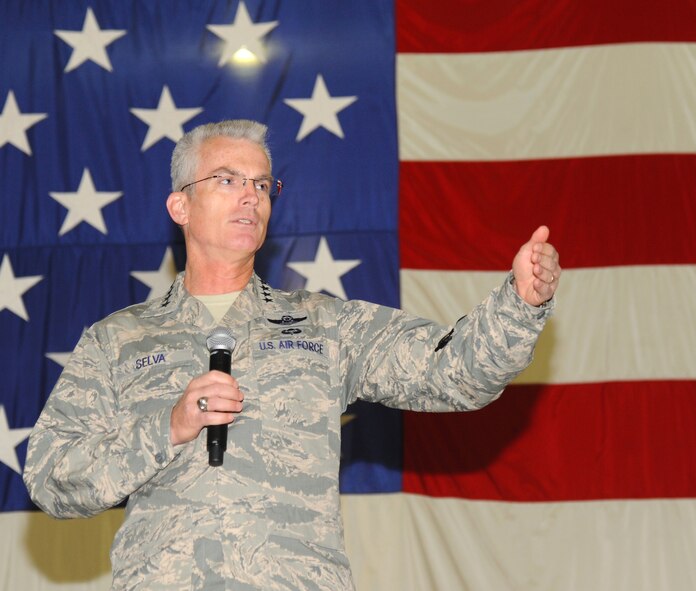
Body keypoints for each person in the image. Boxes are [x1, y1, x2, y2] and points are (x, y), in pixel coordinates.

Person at [23, 119, 561, 590]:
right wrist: (166, 428)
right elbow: (51, 478)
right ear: (180, 205)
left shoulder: (325, 326)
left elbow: (453, 373)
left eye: (262, 184)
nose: (250, 196)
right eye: (228, 180)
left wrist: (519, 304)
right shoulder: (118, 341)